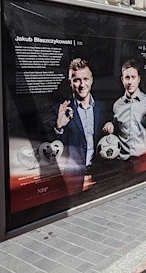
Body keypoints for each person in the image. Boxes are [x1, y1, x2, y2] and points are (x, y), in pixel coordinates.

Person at [50, 58, 110, 192]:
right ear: (70, 82)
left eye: (86, 79)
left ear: (91, 80)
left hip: (98, 175)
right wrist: (59, 126)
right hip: (72, 179)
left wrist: (109, 125)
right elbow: (51, 149)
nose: (82, 84)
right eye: (76, 80)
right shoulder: (60, 110)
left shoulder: (102, 107)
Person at [103, 59, 146, 159]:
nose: (130, 82)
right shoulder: (117, 105)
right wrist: (109, 124)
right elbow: (114, 126)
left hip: (143, 158)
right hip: (122, 160)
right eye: (127, 78)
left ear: (138, 79)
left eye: (133, 77)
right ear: (122, 80)